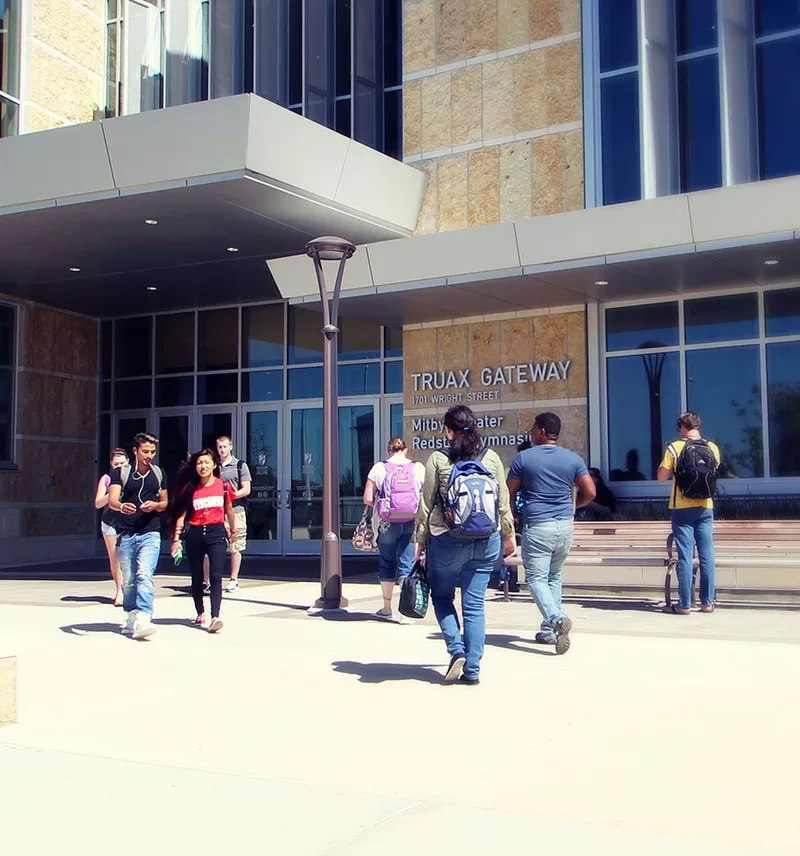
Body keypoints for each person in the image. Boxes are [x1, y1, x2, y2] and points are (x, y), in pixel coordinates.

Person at [414, 405, 516, 685]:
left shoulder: (438, 458)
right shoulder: (491, 457)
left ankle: (456, 649)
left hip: (447, 540)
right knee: (474, 606)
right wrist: (509, 535)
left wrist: (419, 542)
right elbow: (503, 501)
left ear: (448, 430)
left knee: (442, 596)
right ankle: (472, 670)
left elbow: (426, 504)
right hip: (487, 540)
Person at [507, 412, 596, 655]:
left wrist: (513, 515)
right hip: (565, 527)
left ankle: (557, 619)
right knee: (554, 577)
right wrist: (572, 507)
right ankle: (549, 632)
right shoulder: (572, 459)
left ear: (542, 431)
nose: (531, 433)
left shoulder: (524, 458)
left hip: (538, 526)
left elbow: (510, 492)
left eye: (534, 429)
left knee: (536, 579)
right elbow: (590, 492)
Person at [657, 411, 721, 614]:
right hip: (705, 506)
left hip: (682, 508)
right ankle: (707, 602)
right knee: (707, 554)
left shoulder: (675, 447)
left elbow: (661, 477)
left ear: (682, 427)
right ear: (698, 426)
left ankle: (684, 604)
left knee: (685, 555)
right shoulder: (712, 447)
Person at [107, 432, 168, 640]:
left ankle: (144, 616)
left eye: (152, 451)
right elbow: (112, 499)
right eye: (145, 451)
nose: (149, 455)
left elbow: (165, 502)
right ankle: (131, 614)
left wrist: (156, 506)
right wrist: (122, 506)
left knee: (145, 574)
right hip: (126, 533)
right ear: (135, 451)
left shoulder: (158, 473)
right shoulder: (120, 474)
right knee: (129, 579)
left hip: (150, 532)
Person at [170, 449, 235, 633]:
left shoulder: (223, 486)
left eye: (207, 462)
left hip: (216, 533)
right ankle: (200, 611)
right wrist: (176, 538)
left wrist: (233, 530)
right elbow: (182, 515)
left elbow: (229, 510)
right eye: (199, 463)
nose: (203, 466)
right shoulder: (191, 488)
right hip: (195, 533)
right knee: (197, 576)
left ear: (214, 465)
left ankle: (215, 617)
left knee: (215, 575)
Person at [363, 437, 425, 621]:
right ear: (405, 449)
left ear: (389, 450)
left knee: (387, 563)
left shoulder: (379, 468)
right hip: (411, 521)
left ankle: (387, 608)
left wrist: (381, 505)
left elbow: (367, 498)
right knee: (407, 565)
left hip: (386, 522)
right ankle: (406, 612)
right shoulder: (418, 468)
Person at [215, 436, 251, 593]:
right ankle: (209, 580)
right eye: (219, 447)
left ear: (231, 446)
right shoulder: (214, 466)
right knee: (213, 545)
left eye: (224, 446)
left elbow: (246, 489)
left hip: (236, 511)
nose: (222, 450)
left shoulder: (240, 465)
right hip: (217, 511)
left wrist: (231, 496)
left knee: (235, 545)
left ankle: (233, 579)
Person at [94, 448, 129, 606]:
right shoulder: (106, 479)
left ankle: (130, 589)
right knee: (115, 558)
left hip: (128, 523)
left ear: (128, 462)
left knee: (128, 557)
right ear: (111, 464)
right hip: (110, 522)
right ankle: (119, 590)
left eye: (122, 463)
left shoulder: (133, 478)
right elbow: (97, 503)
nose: (119, 466)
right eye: (116, 464)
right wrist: (112, 494)